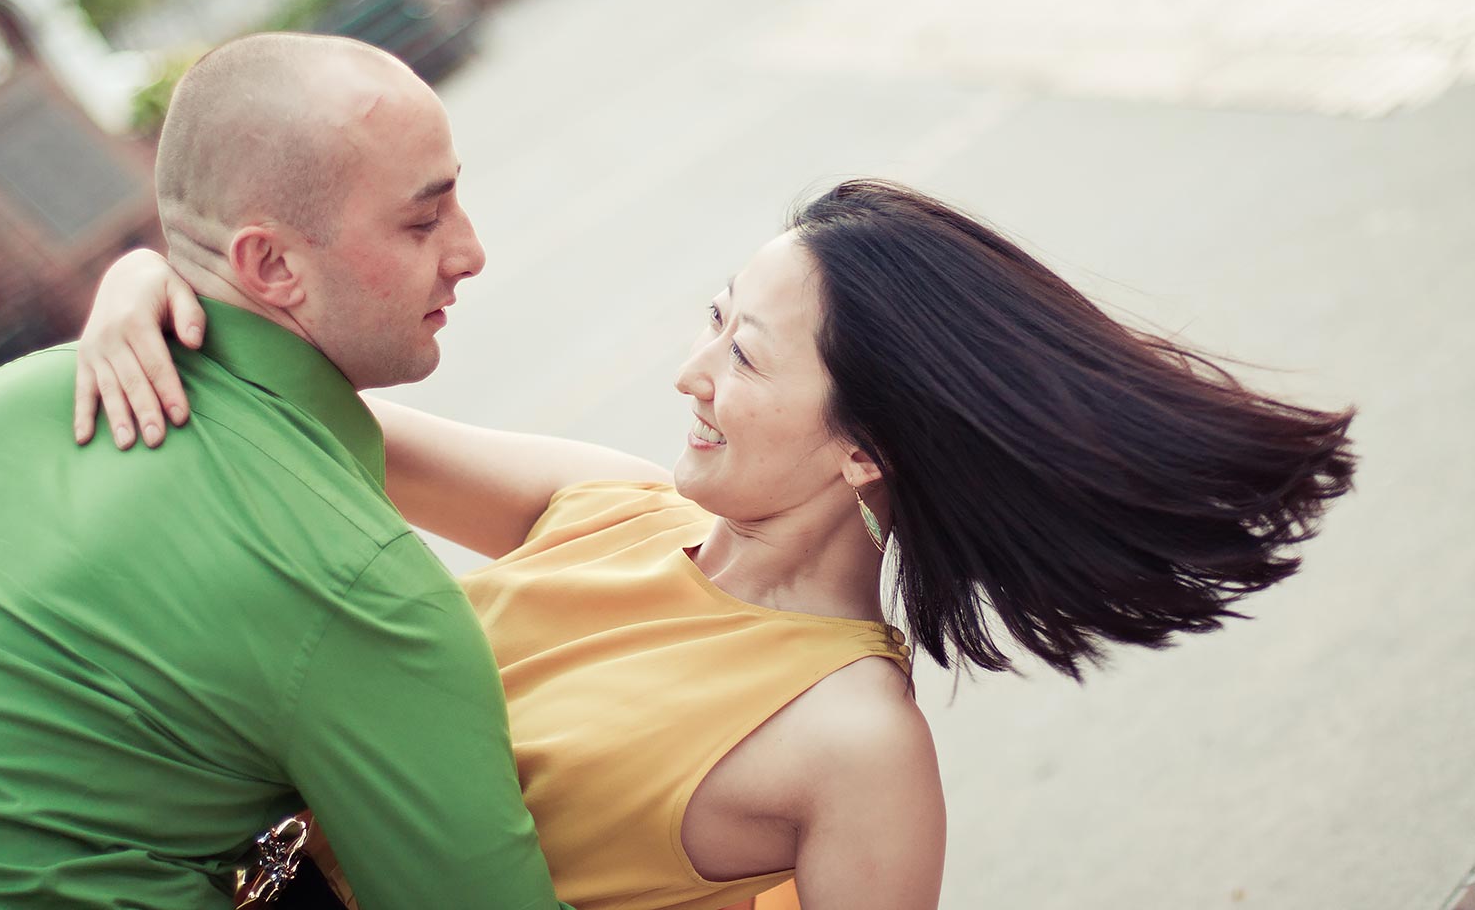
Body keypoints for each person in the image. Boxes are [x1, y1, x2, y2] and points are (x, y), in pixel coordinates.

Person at [74, 179, 1357, 910]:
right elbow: (304, 414)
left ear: (865, 448)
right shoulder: (614, 507)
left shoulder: (858, 747)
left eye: (742, 351)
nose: (690, 370)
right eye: (713, 317)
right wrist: (148, 286)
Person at [0, 33, 573, 910]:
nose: (469, 251)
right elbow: (624, 502)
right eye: (422, 219)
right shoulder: (361, 590)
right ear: (271, 265)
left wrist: (152, 273)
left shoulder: (10, 403)